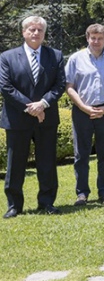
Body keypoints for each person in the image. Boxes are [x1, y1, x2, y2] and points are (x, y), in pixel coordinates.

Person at [0, 16, 65, 217]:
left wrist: (43, 104)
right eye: (31, 29)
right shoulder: (7, 57)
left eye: (39, 30)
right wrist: (31, 107)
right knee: (15, 163)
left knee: (47, 162)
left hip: (46, 119)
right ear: (23, 32)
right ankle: (14, 205)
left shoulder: (55, 55)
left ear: (44, 33)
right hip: (18, 118)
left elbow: (60, 85)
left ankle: (46, 203)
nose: (35, 33)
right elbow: (5, 86)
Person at [65, 23, 104, 206]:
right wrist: (84, 107)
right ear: (87, 38)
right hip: (82, 112)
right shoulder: (76, 59)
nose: (96, 41)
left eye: (100, 38)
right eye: (93, 38)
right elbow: (69, 87)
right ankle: (82, 194)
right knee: (81, 155)